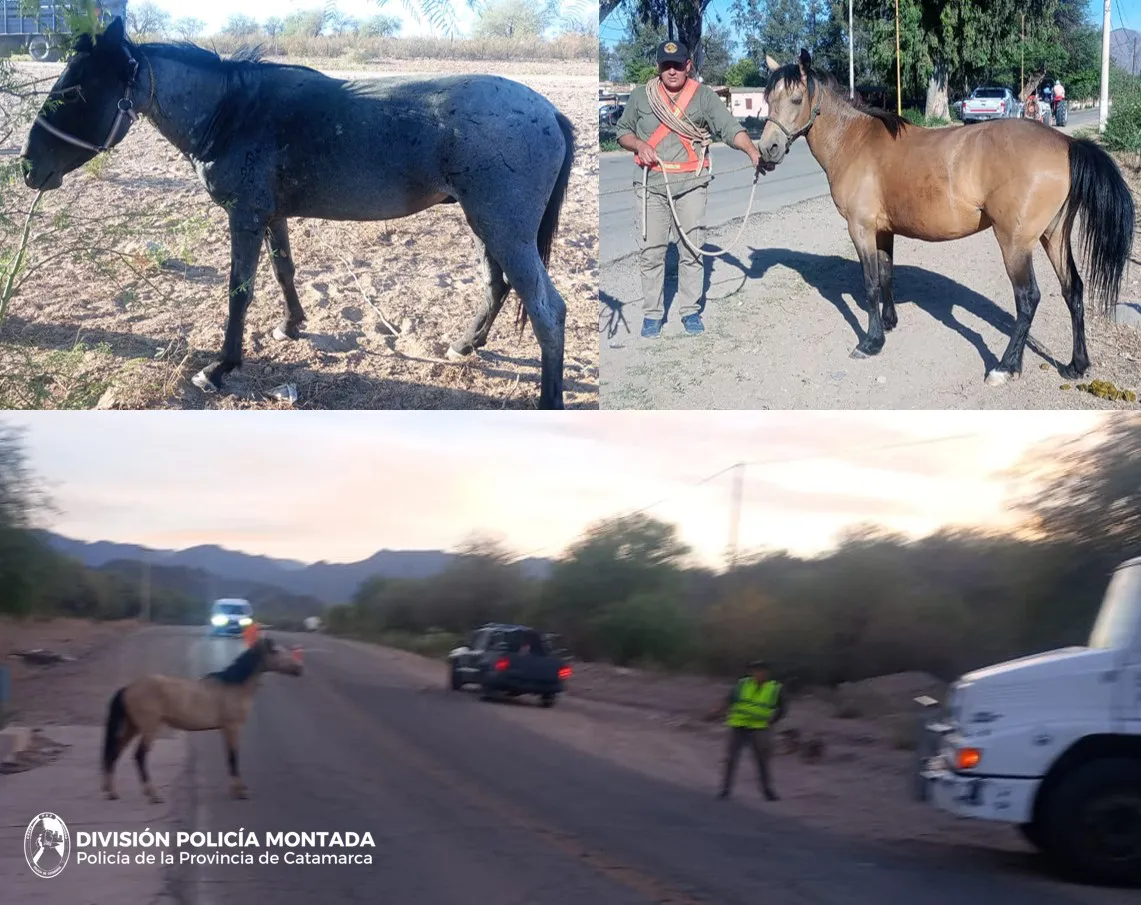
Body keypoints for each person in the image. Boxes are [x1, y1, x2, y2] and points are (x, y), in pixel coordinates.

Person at [615, 41, 766, 339]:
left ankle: (689, 310)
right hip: (651, 184)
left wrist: (752, 152)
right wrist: (639, 145)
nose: (671, 71)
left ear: (688, 66)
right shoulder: (641, 96)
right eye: (665, 65)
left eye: (677, 65)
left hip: (691, 185)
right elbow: (622, 132)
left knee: (692, 250)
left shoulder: (703, 96)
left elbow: (729, 128)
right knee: (651, 252)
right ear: (658, 67)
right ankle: (652, 314)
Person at [706, 659, 786, 801]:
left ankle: (767, 791)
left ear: (767, 673)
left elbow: (782, 708)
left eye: (761, 670)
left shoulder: (775, 688)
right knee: (731, 759)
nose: (758, 673)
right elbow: (728, 700)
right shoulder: (742, 684)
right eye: (755, 670)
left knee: (762, 761)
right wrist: (715, 712)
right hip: (739, 726)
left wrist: (772, 721)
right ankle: (725, 790)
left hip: (759, 728)